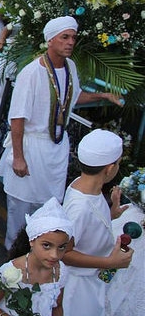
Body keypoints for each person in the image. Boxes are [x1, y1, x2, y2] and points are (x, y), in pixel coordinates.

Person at [0, 16, 122, 249]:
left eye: (73, 37)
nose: (70, 42)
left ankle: (40, 253)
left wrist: (103, 95)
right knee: (21, 205)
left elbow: (74, 96)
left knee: (49, 205)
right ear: (50, 40)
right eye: (65, 37)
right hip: (31, 146)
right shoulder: (32, 72)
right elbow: (17, 118)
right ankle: (14, 255)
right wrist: (18, 156)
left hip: (56, 148)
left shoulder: (70, 67)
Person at [62, 129, 133, 315]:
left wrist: (110, 215)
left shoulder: (83, 183)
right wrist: (109, 262)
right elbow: (63, 253)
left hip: (88, 281)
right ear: (109, 168)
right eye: (118, 163)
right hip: (76, 288)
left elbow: (87, 227)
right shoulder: (80, 208)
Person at [0, 197, 74, 316]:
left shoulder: (60, 272)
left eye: (61, 247)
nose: (54, 255)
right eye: (46, 245)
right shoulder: (11, 271)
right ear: (32, 241)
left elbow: (57, 306)